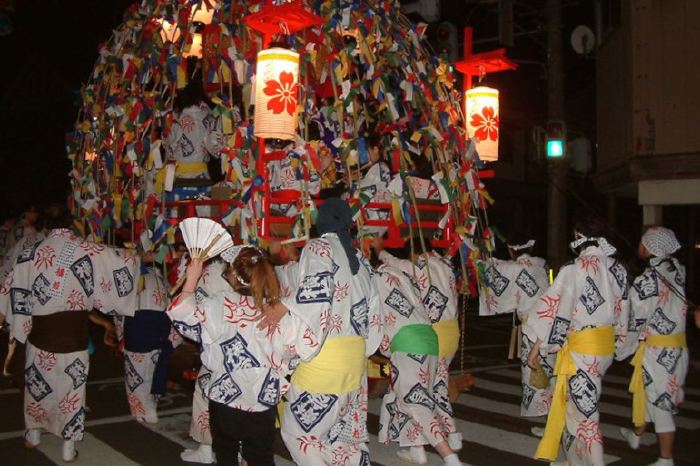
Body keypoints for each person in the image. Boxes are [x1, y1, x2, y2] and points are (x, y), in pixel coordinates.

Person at [0, 208, 140, 462]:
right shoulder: (88, 249)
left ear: (48, 227)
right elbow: (123, 260)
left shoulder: (31, 252)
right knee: (72, 393)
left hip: (39, 336)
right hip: (74, 339)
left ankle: (33, 434)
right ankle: (68, 448)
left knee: (37, 388)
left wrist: (12, 321)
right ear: (74, 225)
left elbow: (12, 286)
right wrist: (139, 255)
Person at [169, 246, 319, 466]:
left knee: (226, 456)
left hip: (224, 398)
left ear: (233, 275)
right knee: (261, 458)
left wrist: (191, 279)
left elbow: (184, 317)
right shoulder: (276, 310)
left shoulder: (221, 304)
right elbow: (306, 345)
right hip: (262, 401)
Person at [259, 198, 382, 466]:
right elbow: (374, 307)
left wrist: (284, 306)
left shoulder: (318, 247)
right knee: (344, 437)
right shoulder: (359, 257)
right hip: (355, 361)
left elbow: (315, 295)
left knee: (299, 435)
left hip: (325, 361)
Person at [524, 217, 630, 466]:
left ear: (578, 235)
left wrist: (538, 347)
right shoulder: (617, 269)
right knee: (576, 408)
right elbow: (624, 310)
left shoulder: (574, 269)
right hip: (603, 348)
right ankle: (575, 462)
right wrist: (621, 342)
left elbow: (552, 310)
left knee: (586, 416)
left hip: (582, 350)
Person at [374, 251, 464, 466]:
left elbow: (375, 318)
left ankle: (449, 456)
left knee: (414, 400)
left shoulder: (376, 277)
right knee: (417, 392)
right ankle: (416, 449)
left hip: (409, 341)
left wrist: (379, 348)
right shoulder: (408, 275)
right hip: (431, 337)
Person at [619, 227, 688, 466]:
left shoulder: (647, 281)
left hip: (658, 350)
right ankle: (636, 435)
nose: (639, 245)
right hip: (678, 348)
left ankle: (665, 458)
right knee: (652, 394)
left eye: (642, 242)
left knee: (660, 403)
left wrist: (622, 346)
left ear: (648, 248)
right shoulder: (678, 270)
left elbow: (634, 318)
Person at [477, 238, 552, 430]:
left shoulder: (514, 269)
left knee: (537, 375)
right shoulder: (541, 266)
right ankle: (553, 423)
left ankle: (552, 425)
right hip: (553, 327)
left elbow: (491, 269)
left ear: (511, 250)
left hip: (534, 330)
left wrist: (476, 255)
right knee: (553, 375)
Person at [119, 250, 174, 425]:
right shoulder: (162, 279)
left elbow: (120, 308)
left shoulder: (132, 277)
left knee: (137, 370)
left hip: (138, 324)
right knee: (154, 366)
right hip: (160, 325)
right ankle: (152, 401)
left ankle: (144, 408)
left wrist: (120, 333)